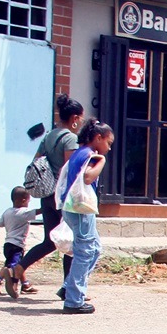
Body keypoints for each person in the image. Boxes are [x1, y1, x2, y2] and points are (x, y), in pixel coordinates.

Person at [17, 95, 84, 292]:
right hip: (62, 197)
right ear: (73, 118)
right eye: (80, 118)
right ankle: (68, 288)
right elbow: (69, 170)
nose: (81, 122)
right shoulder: (70, 138)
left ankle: (18, 268)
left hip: (47, 195)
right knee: (71, 241)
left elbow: (37, 161)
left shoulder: (48, 136)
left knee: (50, 241)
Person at [57, 119, 114, 315]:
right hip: (80, 210)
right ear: (98, 138)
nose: (108, 147)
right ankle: (74, 300)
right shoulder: (90, 155)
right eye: (108, 142)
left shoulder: (78, 153)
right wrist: (102, 161)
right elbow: (88, 177)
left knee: (95, 248)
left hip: (75, 208)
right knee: (86, 252)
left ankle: (69, 287)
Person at [0, 186, 36, 299]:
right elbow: (39, 211)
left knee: (21, 264)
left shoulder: (7, 211)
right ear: (23, 200)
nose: (29, 203)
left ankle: (25, 284)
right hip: (17, 246)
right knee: (12, 268)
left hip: (8, 244)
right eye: (29, 200)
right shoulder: (24, 213)